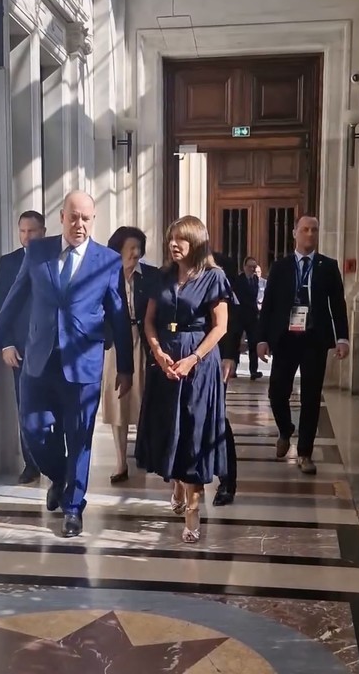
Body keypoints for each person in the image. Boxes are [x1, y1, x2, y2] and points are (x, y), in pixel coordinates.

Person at [0, 191, 134, 537]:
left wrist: (125, 366)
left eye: (86, 218)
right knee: (33, 430)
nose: (79, 224)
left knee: (80, 436)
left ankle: (73, 508)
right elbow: (14, 298)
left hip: (83, 363)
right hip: (39, 360)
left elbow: (118, 314)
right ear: (62, 218)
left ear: (93, 220)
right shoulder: (39, 252)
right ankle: (61, 475)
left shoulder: (108, 261)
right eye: (73, 217)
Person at [135, 216, 230, 544]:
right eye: (171, 238)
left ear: (197, 242)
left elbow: (220, 326)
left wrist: (193, 359)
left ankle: (193, 508)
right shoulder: (160, 277)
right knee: (168, 427)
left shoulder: (214, 277)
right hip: (165, 361)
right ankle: (176, 482)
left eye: (181, 239)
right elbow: (148, 321)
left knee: (192, 432)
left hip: (199, 363)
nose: (173, 244)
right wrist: (158, 352)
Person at [257, 215, 349, 475]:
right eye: (305, 229)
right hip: (285, 339)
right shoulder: (281, 267)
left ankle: (305, 453)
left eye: (314, 230)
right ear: (295, 233)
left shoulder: (328, 266)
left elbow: (338, 305)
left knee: (311, 397)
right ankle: (285, 429)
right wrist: (262, 339)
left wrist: (342, 338)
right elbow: (269, 306)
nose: (310, 234)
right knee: (277, 392)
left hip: (314, 339)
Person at [0, 210, 46, 485]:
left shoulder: (56, 258)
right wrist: (6, 344)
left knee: (54, 406)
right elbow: (1, 305)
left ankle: (55, 460)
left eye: (32, 231)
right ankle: (31, 463)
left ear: (43, 232)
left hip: (51, 348)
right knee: (25, 405)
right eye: (22, 231)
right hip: (21, 348)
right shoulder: (8, 263)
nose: (27, 237)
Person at [102, 227, 158, 484]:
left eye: (138, 248)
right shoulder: (106, 276)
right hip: (116, 345)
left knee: (145, 398)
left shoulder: (152, 276)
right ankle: (120, 461)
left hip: (144, 341)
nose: (135, 253)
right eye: (130, 247)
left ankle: (145, 453)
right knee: (119, 404)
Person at [210, 250, 240, 507]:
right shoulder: (174, 270)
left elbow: (234, 317)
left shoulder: (222, 267)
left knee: (217, 417)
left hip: (215, 356)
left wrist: (230, 355)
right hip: (184, 355)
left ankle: (227, 480)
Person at [233, 256, 263, 381]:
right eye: (250, 267)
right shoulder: (238, 280)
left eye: (254, 267)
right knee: (236, 343)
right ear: (244, 267)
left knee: (253, 343)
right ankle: (233, 369)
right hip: (240, 316)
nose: (252, 269)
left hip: (252, 317)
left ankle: (253, 370)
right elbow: (239, 297)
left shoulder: (255, 279)